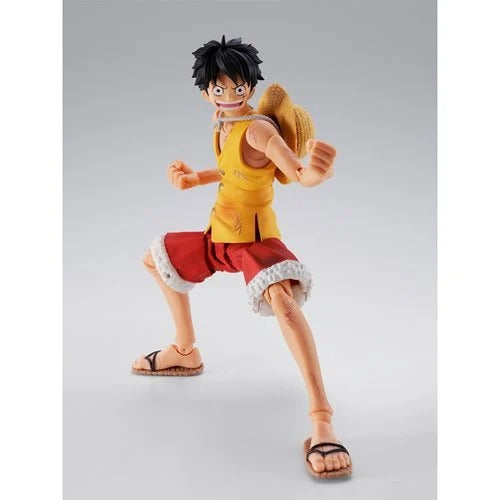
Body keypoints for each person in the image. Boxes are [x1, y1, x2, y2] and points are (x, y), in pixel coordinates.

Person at [132, 35, 352, 479]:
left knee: (284, 304)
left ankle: (321, 419)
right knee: (157, 259)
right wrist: (196, 178)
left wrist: (315, 173)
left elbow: (295, 171)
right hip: (220, 232)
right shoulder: (222, 122)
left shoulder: (258, 129)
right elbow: (233, 169)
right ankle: (185, 349)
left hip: (254, 240)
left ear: (251, 86)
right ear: (206, 92)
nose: (230, 95)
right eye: (220, 88)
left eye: (238, 87)